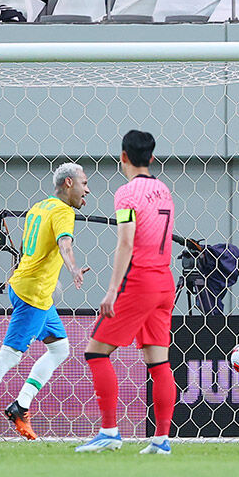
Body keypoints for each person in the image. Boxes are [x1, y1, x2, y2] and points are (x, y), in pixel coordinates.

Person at [0, 163, 90, 446]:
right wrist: (73, 269)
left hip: (24, 286)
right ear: (67, 183)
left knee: (60, 347)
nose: (87, 189)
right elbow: (65, 244)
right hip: (33, 295)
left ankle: (21, 406)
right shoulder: (64, 211)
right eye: (84, 183)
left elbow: (33, 248)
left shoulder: (39, 207)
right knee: (9, 356)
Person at [76, 130, 176, 455]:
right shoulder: (164, 190)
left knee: (96, 352)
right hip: (165, 282)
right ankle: (161, 440)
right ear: (152, 158)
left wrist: (112, 290)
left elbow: (126, 241)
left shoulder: (126, 194)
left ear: (123, 156)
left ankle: (109, 432)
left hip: (141, 281)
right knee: (158, 362)